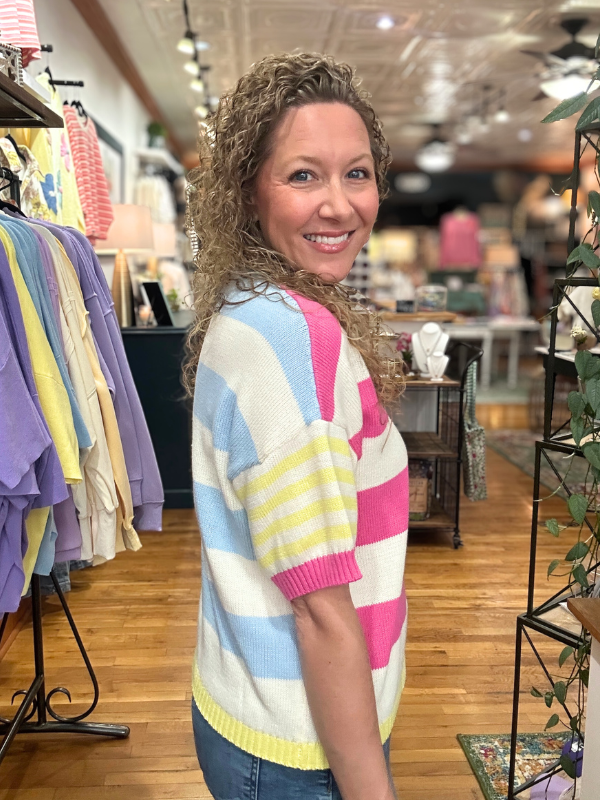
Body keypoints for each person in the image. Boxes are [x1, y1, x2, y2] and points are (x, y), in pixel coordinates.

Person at [184, 52, 408, 800]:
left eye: (357, 173)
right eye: (303, 175)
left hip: (250, 703)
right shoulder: (292, 342)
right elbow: (320, 612)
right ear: (251, 193)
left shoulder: (250, 303)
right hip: (299, 748)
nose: (341, 205)